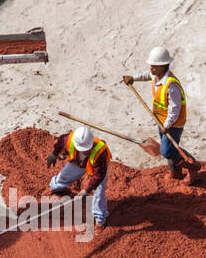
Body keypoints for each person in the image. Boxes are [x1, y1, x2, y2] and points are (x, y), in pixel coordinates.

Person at [123, 46, 197, 180]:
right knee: (169, 148)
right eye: (151, 65)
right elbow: (147, 75)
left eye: (154, 66)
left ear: (164, 66)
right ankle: (175, 172)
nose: (151, 68)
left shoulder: (171, 85)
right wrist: (133, 78)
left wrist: (167, 125)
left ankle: (192, 165)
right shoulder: (156, 75)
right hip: (161, 120)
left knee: (167, 150)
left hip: (173, 123)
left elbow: (175, 109)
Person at [46, 125, 111, 227]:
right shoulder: (69, 139)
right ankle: (55, 188)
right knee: (63, 177)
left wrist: (87, 190)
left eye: (87, 149)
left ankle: (100, 219)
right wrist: (54, 154)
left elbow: (98, 176)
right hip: (78, 163)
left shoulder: (100, 153)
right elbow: (60, 142)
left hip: (95, 169)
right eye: (84, 150)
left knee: (99, 192)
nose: (86, 151)